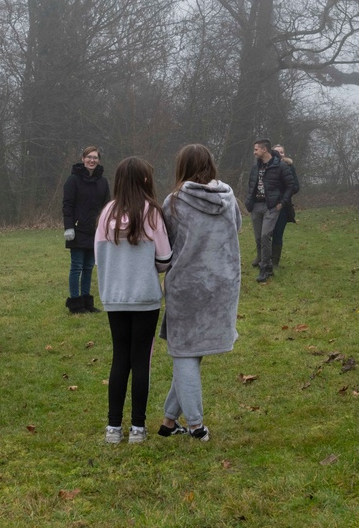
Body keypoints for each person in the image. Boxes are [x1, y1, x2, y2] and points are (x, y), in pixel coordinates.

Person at [158, 145, 241, 443]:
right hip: (223, 284)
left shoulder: (174, 202)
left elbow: (165, 241)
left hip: (187, 287)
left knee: (184, 352)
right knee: (192, 352)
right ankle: (169, 421)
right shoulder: (229, 198)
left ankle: (195, 425)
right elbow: (238, 228)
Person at [95, 157, 172, 444]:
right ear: (144, 180)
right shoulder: (152, 212)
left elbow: (98, 257)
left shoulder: (106, 213)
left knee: (120, 358)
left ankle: (113, 428)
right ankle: (138, 428)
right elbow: (164, 259)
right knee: (141, 361)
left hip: (114, 297)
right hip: (145, 298)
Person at [63, 146, 110, 314]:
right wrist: (69, 227)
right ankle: (76, 304)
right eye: (89, 157)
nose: (92, 160)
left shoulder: (103, 182)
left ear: (99, 160)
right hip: (76, 230)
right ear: (83, 159)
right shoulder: (73, 180)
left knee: (89, 266)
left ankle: (87, 302)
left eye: (95, 158)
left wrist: (106, 228)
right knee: (76, 266)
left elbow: (107, 207)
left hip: (95, 231)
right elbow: (67, 205)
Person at [244, 138, 295, 283]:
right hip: (256, 206)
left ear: (264, 149)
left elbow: (291, 186)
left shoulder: (280, 166)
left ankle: (265, 268)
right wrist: (249, 202)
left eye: (256, 149)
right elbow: (251, 185)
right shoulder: (255, 167)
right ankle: (267, 265)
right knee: (259, 238)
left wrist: (282, 203)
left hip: (271, 206)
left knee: (266, 235)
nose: (254, 152)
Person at [270, 144, 299, 270]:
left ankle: (275, 262)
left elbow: (296, 187)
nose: (280, 154)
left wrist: (283, 197)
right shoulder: (266, 167)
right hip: (268, 205)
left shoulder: (290, 167)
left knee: (278, 233)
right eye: (277, 152)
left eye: (282, 152)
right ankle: (263, 258)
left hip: (283, 206)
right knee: (264, 233)